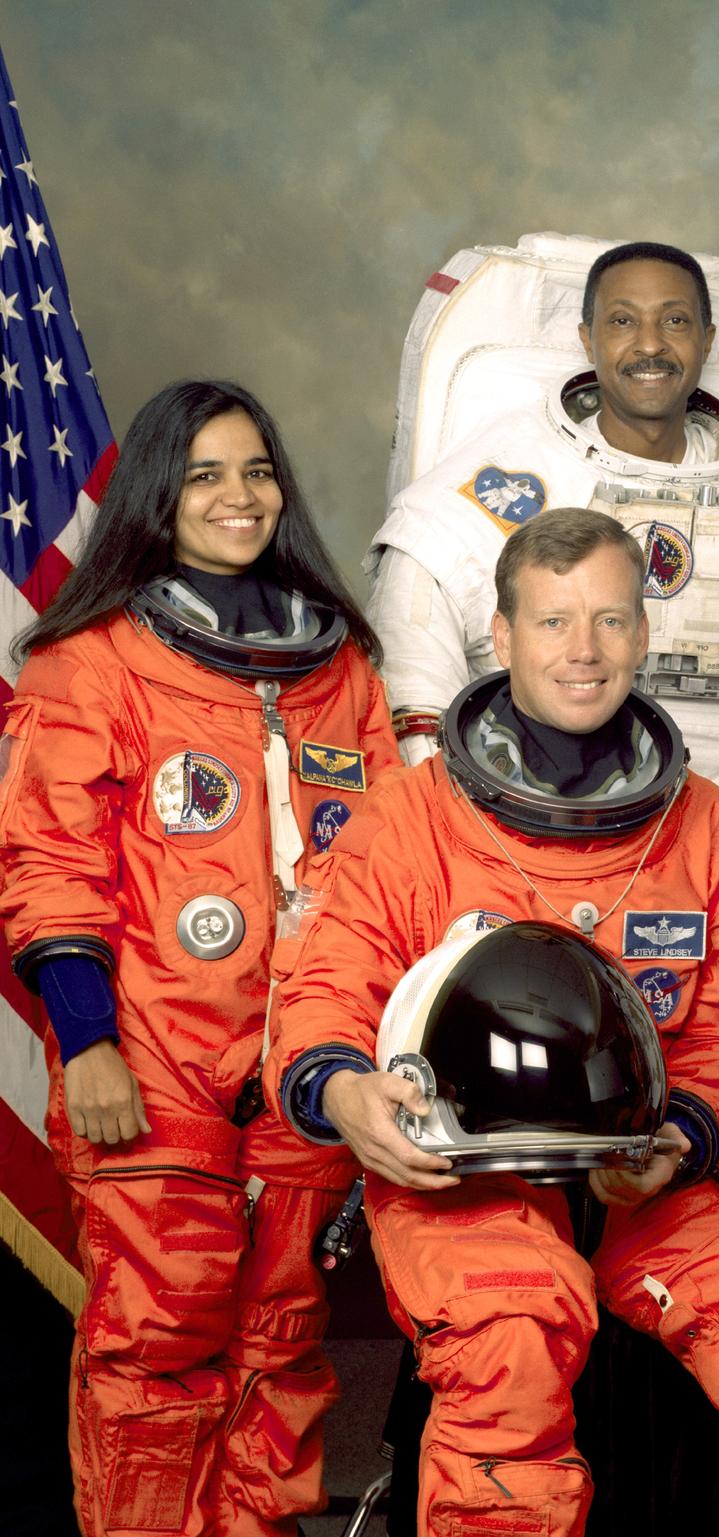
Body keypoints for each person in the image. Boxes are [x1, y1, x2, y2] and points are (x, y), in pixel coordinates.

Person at [269, 508, 719, 1536]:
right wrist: (345, 1090)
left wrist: (687, 1133)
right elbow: (324, 989)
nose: (584, 650)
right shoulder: (410, 816)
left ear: (645, 636)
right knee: (510, 1350)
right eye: (555, 621)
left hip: (642, 1174)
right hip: (465, 1175)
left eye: (611, 621)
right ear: (503, 633)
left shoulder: (699, 822)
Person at [369, 238, 719, 1231]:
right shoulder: (511, 476)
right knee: (519, 1212)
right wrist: (450, 839)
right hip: (530, 901)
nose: (651, 344)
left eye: (676, 320)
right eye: (625, 321)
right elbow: (413, 636)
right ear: (586, 340)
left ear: (707, 341)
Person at [0, 380, 401, 1535]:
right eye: (206, 473)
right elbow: (47, 865)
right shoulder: (91, 663)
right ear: (156, 494)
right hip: (152, 1063)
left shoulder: (341, 669)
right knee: (156, 1351)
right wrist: (88, 1043)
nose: (239, 495)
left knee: (280, 1350)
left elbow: (385, 868)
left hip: (304, 1068)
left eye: (257, 469)